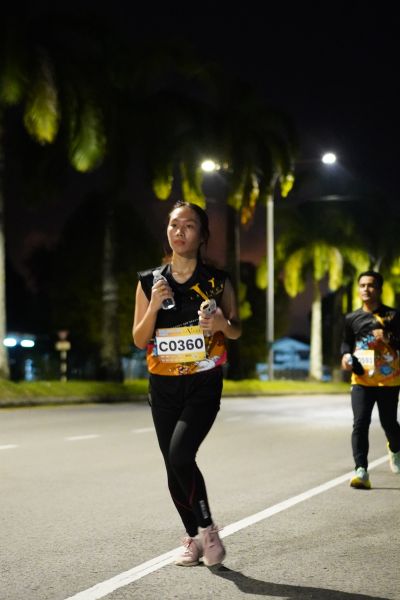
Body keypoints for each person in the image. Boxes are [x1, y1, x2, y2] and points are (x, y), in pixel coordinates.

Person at [132, 201, 241, 566]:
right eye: (174, 225)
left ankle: (208, 530)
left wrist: (222, 324)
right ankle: (193, 538)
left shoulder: (217, 281)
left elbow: (236, 329)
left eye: (189, 225)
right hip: (162, 386)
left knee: (181, 455)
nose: (179, 231)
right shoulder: (149, 281)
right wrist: (154, 306)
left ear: (202, 235)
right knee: (172, 467)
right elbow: (138, 338)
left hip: (203, 384)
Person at [341, 270, 400, 489]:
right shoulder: (351, 318)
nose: (366, 289)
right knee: (360, 423)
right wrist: (345, 356)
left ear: (379, 289)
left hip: (388, 380)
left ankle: (395, 448)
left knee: (389, 423)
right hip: (362, 379)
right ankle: (361, 470)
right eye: (362, 285)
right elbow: (346, 343)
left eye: (371, 285)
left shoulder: (393, 316)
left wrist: (388, 338)